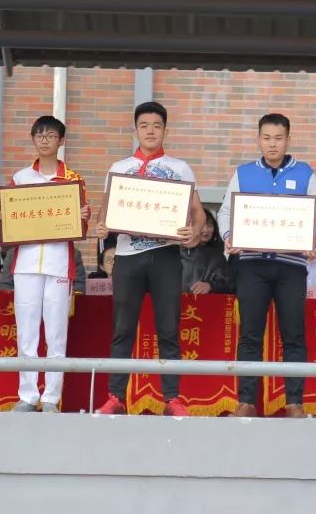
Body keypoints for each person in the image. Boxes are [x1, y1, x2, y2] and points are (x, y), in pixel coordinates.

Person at [95, 101, 206, 417]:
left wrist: (194, 231)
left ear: (165, 131)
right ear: (135, 130)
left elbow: (197, 213)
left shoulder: (179, 168)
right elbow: (105, 213)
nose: (150, 131)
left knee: (169, 328)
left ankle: (173, 398)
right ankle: (116, 396)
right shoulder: (119, 168)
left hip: (166, 256)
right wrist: (101, 226)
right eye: (144, 125)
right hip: (127, 256)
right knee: (122, 329)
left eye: (157, 126)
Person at [219, 113, 316, 418]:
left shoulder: (305, 173)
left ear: (288, 140)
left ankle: (294, 402)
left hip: (291, 266)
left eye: (278, 138)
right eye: (266, 138)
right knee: (250, 335)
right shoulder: (243, 173)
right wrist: (229, 236)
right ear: (258, 139)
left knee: (293, 334)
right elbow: (226, 211)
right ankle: (246, 401)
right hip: (252, 264)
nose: (272, 144)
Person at [6, 115, 90, 414]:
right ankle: (28, 395)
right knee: (26, 332)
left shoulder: (74, 180)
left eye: (51, 135)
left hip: (58, 264)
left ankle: (52, 397)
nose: (44, 140)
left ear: (61, 141)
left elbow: (81, 227)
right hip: (26, 264)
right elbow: (11, 222)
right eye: (39, 135)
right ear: (33, 139)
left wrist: (82, 217)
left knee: (56, 333)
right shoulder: (20, 178)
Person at [180, 209, 233, 295]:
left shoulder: (217, 256)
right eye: (202, 225)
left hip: (205, 301)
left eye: (209, 225)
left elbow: (228, 284)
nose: (206, 230)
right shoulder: (174, 253)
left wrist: (210, 285)